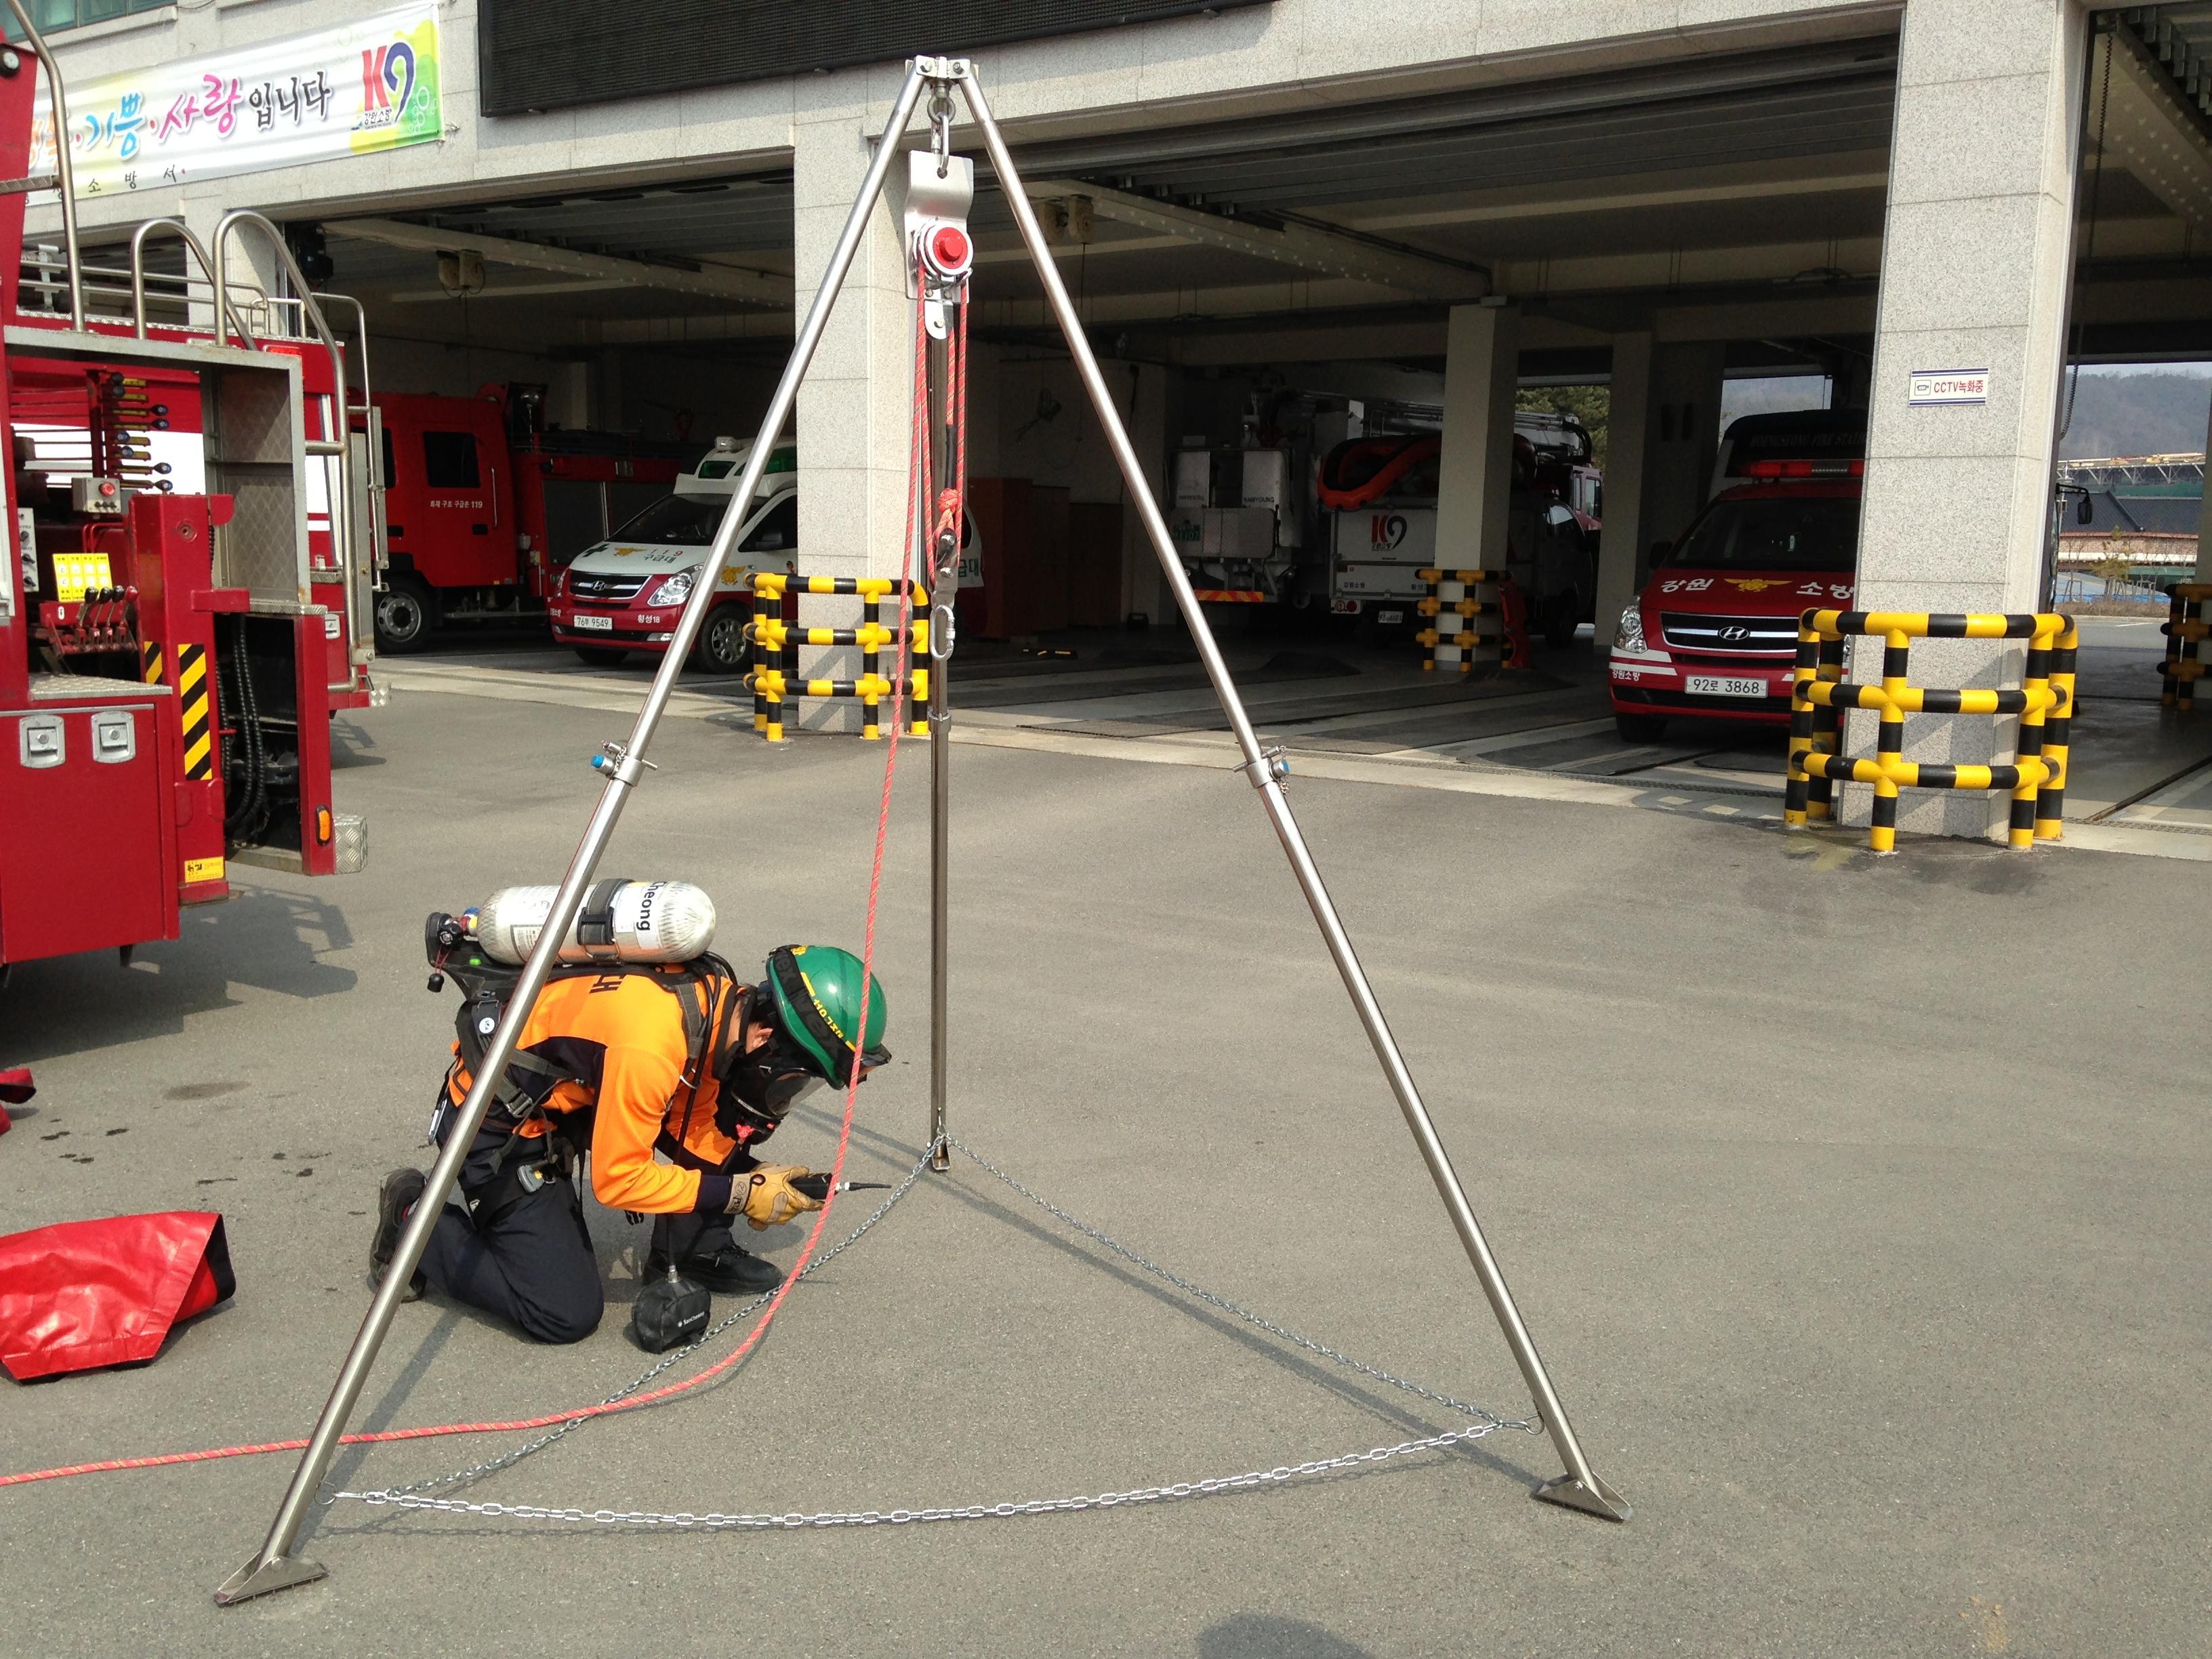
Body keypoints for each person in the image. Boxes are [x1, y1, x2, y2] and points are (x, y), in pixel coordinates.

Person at [370, 943, 888, 1344]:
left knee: (726, 1130)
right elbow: (618, 1181)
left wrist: (760, 1174)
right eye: (799, 1081)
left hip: (569, 1100)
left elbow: (700, 1130)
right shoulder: (652, 1046)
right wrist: (740, 1194)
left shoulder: (717, 997)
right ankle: (412, 1217)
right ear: (764, 1040)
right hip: (497, 1128)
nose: (792, 1095)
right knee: (563, 1313)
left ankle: (695, 1252)